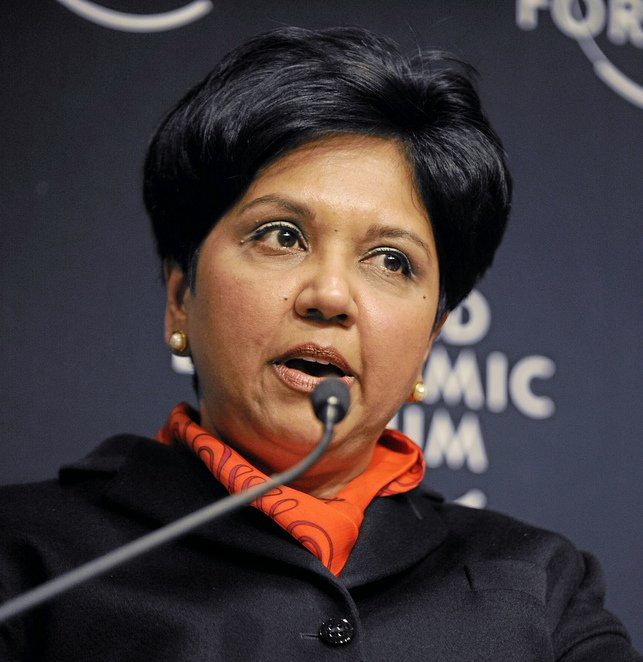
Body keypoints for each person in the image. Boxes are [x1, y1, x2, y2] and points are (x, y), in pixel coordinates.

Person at [0, 26, 639, 661]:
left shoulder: (540, 588)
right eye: (280, 236)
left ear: (429, 342)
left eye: (391, 260)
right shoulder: (27, 555)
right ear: (179, 298)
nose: (329, 295)